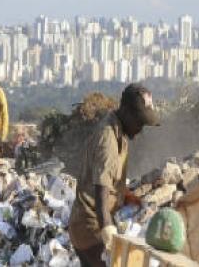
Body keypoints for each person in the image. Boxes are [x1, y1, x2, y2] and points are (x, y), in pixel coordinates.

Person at [69, 83, 160, 267]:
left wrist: (127, 196)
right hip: (91, 230)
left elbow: (110, 181)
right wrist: (108, 231)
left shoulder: (120, 133)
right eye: (139, 121)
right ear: (125, 111)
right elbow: (101, 189)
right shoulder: (108, 138)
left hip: (86, 227)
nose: (140, 128)